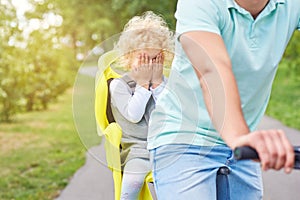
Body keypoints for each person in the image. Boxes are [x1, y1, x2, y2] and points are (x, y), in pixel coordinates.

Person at [147, 0, 300, 199]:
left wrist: (239, 140)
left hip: (242, 145)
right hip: (184, 137)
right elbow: (212, 70)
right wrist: (238, 137)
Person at [109, 11, 174, 199]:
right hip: (137, 150)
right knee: (133, 181)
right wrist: (144, 85)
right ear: (129, 58)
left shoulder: (165, 84)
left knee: (176, 180)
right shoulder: (119, 85)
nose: (150, 66)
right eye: (144, 60)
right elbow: (134, 114)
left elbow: (169, 114)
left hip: (165, 147)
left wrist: (158, 85)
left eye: (155, 60)